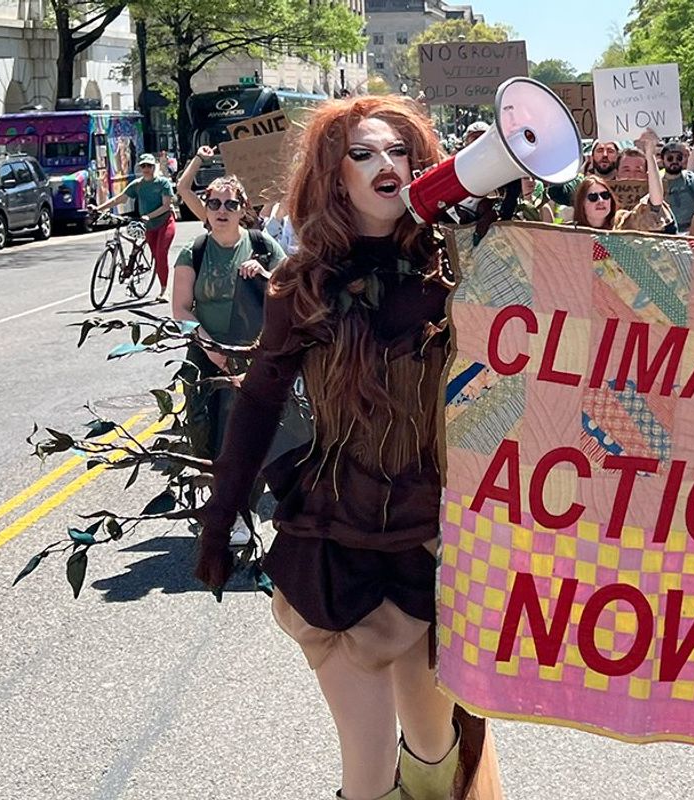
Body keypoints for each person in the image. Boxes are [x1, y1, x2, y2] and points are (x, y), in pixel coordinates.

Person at [194, 95, 500, 800]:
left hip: (433, 541)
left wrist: (498, 225)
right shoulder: (301, 286)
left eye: (398, 151)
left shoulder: (459, 273)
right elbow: (260, 402)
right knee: (367, 769)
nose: (384, 164)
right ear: (335, 176)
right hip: (334, 542)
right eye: (362, 154)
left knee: (434, 748)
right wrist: (220, 516)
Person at [172, 176, 287, 545]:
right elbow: (181, 309)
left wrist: (265, 274)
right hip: (204, 354)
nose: (222, 210)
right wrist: (210, 348)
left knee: (251, 436)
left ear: (242, 209)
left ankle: (243, 510)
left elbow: (291, 286)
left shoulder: (262, 245)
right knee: (206, 432)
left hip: (252, 353)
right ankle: (221, 502)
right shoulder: (194, 251)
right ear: (206, 209)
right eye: (214, 203)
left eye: (230, 204)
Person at [92, 153, 176, 303]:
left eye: (149, 166)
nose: (146, 169)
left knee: (161, 254)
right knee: (156, 256)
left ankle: (164, 291)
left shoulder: (162, 183)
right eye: (143, 166)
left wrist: (149, 215)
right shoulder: (138, 185)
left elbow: (166, 206)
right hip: (149, 226)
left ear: (154, 167)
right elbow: (120, 199)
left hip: (165, 222)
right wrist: (99, 208)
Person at [659, 140, 694, 232]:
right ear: (662, 160)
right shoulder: (657, 185)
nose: (674, 161)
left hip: (692, 232)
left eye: (679, 158)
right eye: (670, 158)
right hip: (666, 232)